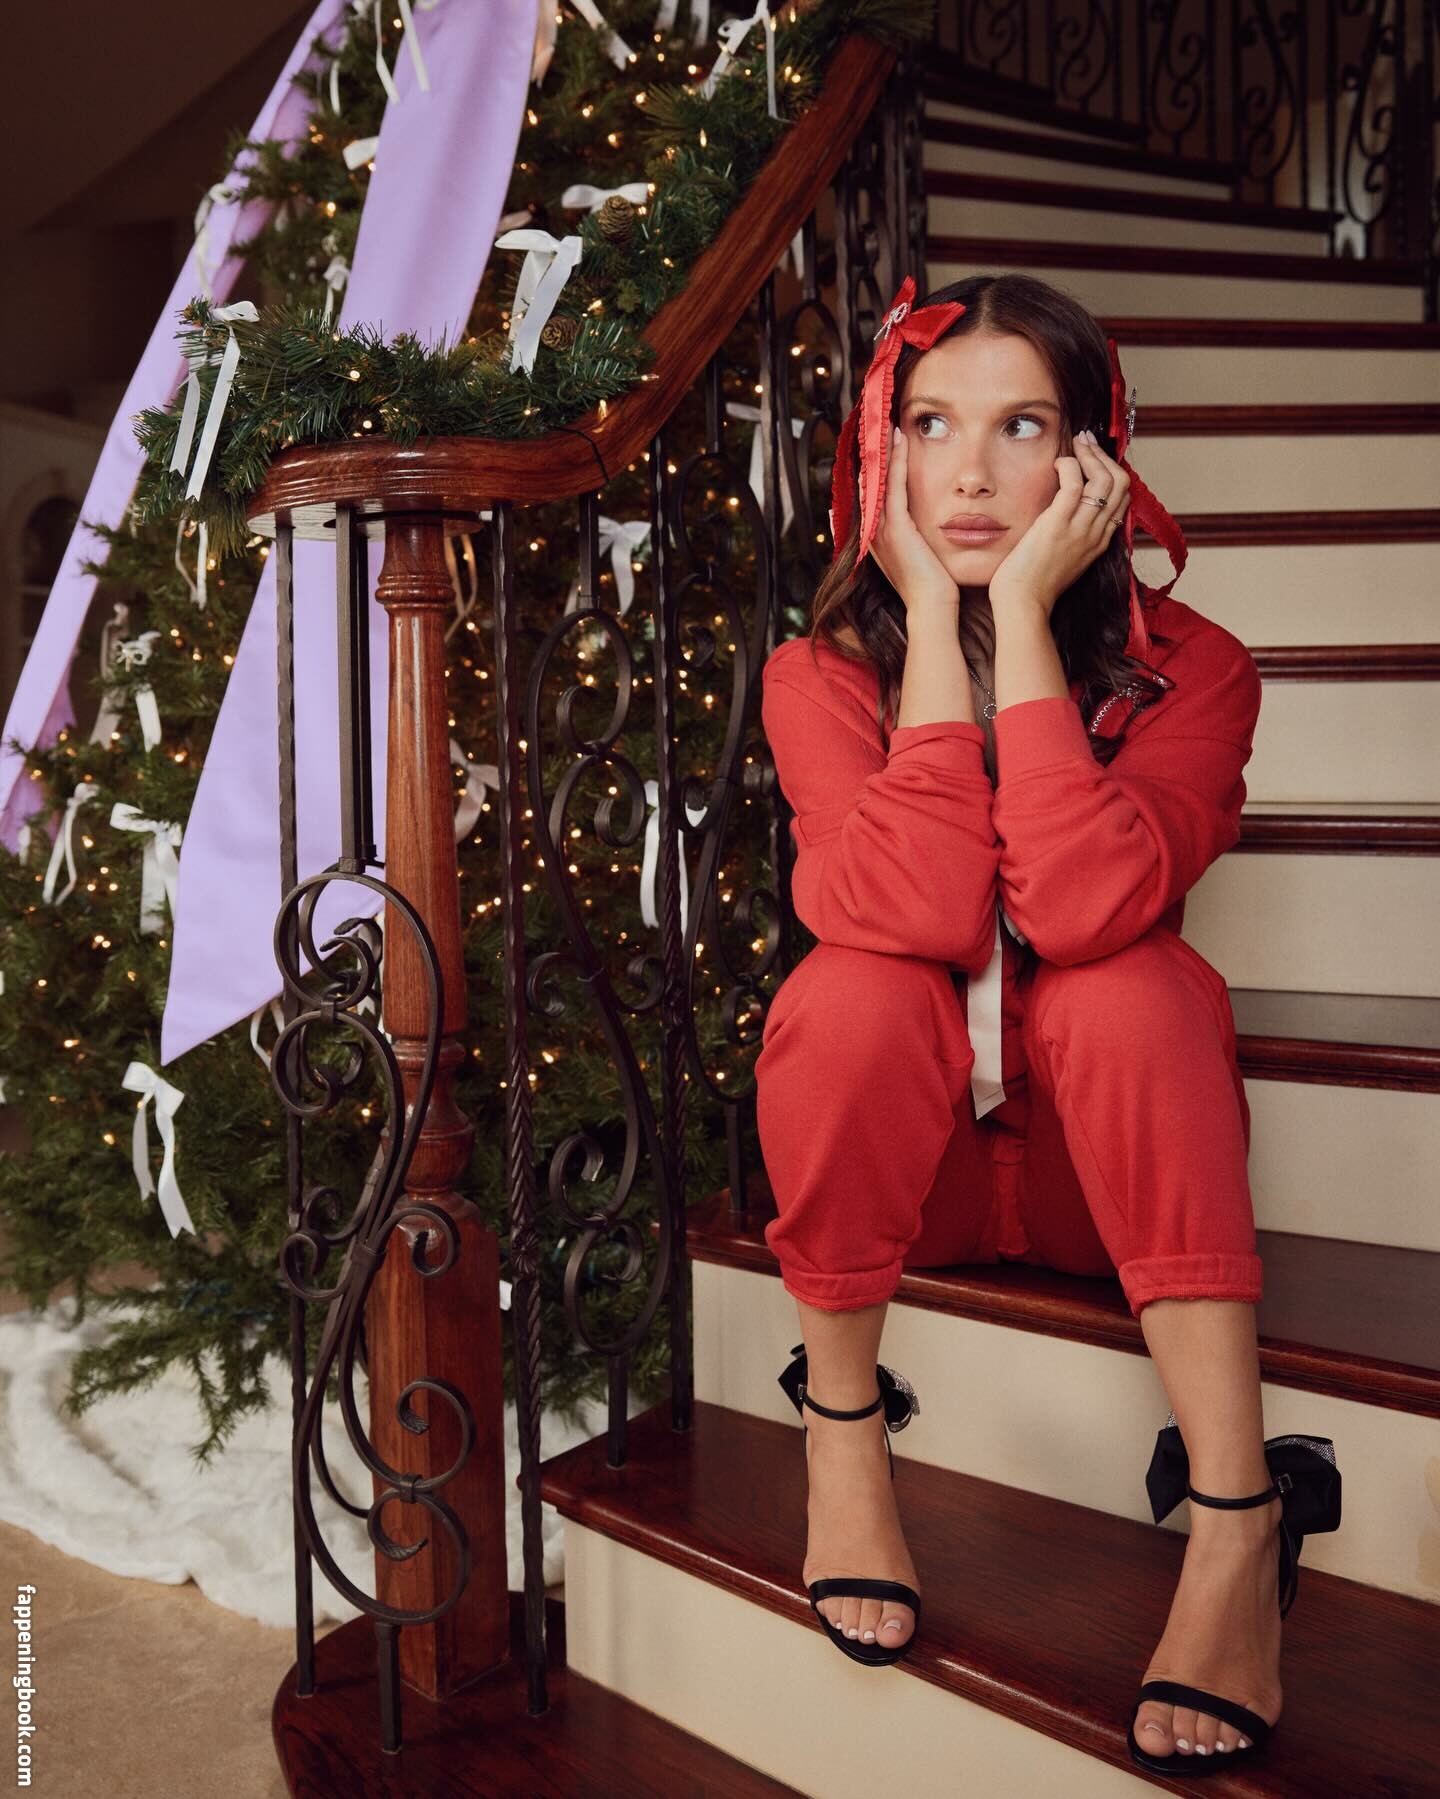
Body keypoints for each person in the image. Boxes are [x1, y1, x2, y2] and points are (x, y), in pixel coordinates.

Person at [755, 271, 1340, 1776]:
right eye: (931, 425)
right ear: (881, 450)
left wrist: (1017, 614)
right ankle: (843, 1438)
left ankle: (1236, 1520)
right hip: (925, 1189)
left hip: (1109, 1185)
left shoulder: (1198, 671)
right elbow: (913, 904)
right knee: (850, 985)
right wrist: (933, 628)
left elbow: (1079, 903)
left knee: (1133, 980)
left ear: (1094, 461)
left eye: (1021, 426)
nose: (967, 473)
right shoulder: (819, 677)